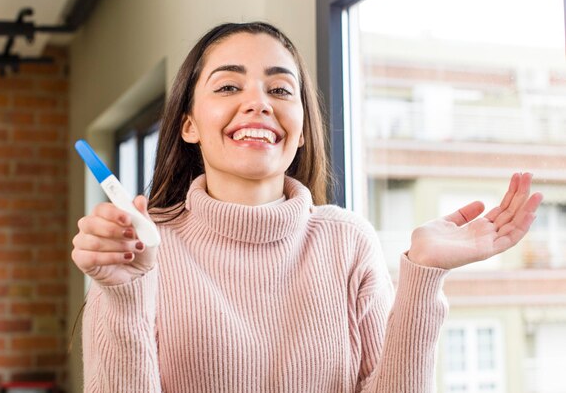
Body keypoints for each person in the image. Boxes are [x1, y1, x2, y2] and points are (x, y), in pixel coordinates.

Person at [71, 22, 543, 392]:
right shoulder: (135, 253)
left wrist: (423, 275)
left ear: (299, 131)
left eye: (279, 90)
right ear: (189, 124)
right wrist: (124, 298)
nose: (258, 102)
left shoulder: (348, 240)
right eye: (229, 87)